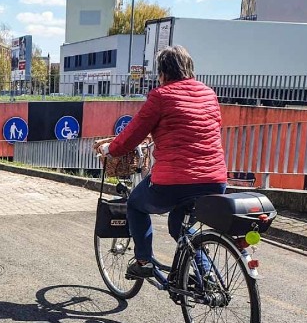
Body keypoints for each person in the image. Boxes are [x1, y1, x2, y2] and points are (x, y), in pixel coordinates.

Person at [94, 46, 227, 279]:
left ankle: (143, 261)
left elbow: (133, 133)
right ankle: (207, 278)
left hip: (175, 181)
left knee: (135, 204)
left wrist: (110, 149)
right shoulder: (209, 93)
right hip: (214, 181)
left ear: (163, 72)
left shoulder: (161, 96)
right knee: (180, 227)